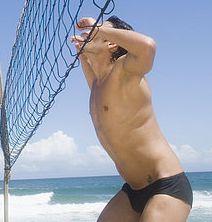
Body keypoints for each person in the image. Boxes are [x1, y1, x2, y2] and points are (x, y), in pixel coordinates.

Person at [70, 16, 192, 222]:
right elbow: (94, 77)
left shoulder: (125, 70)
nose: (91, 33)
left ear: (112, 43)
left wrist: (98, 28)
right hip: (133, 190)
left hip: (166, 185)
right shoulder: (98, 86)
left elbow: (148, 45)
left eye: (100, 32)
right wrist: (83, 56)